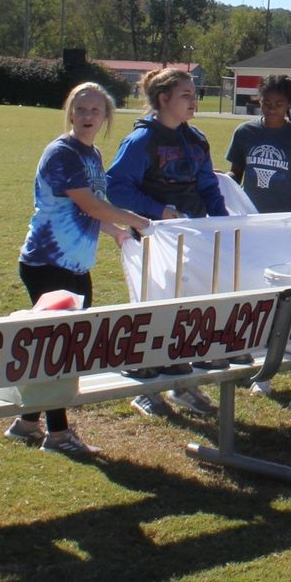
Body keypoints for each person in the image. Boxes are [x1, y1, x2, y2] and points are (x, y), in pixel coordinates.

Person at [8, 82, 153, 454]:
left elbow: (94, 209)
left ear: (106, 116)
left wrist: (118, 233)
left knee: (57, 347)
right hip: (47, 263)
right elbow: (90, 206)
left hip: (73, 265)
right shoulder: (62, 154)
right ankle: (57, 435)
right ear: (70, 113)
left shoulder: (93, 155)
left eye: (95, 111)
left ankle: (27, 422)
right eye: (81, 109)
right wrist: (138, 220)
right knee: (60, 348)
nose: (87, 116)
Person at [107, 66, 228, 416]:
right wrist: (158, 212)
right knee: (151, 311)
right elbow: (116, 186)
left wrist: (224, 222)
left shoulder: (196, 139)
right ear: (163, 99)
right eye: (186, 95)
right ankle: (145, 387)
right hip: (149, 240)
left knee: (187, 312)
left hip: (190, 240)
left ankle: (180, 381)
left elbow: (208, 186)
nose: (194, 101)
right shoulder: (141, 140)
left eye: (194, 94)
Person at [226, 76, 291, 214]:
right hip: (248, 215)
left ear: (288, 104)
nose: (272, 109)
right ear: (260, 101)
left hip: (282, 218)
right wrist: (222, 179)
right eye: (266, 103)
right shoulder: (244, 132)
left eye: (279, 104)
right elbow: (236, 175)